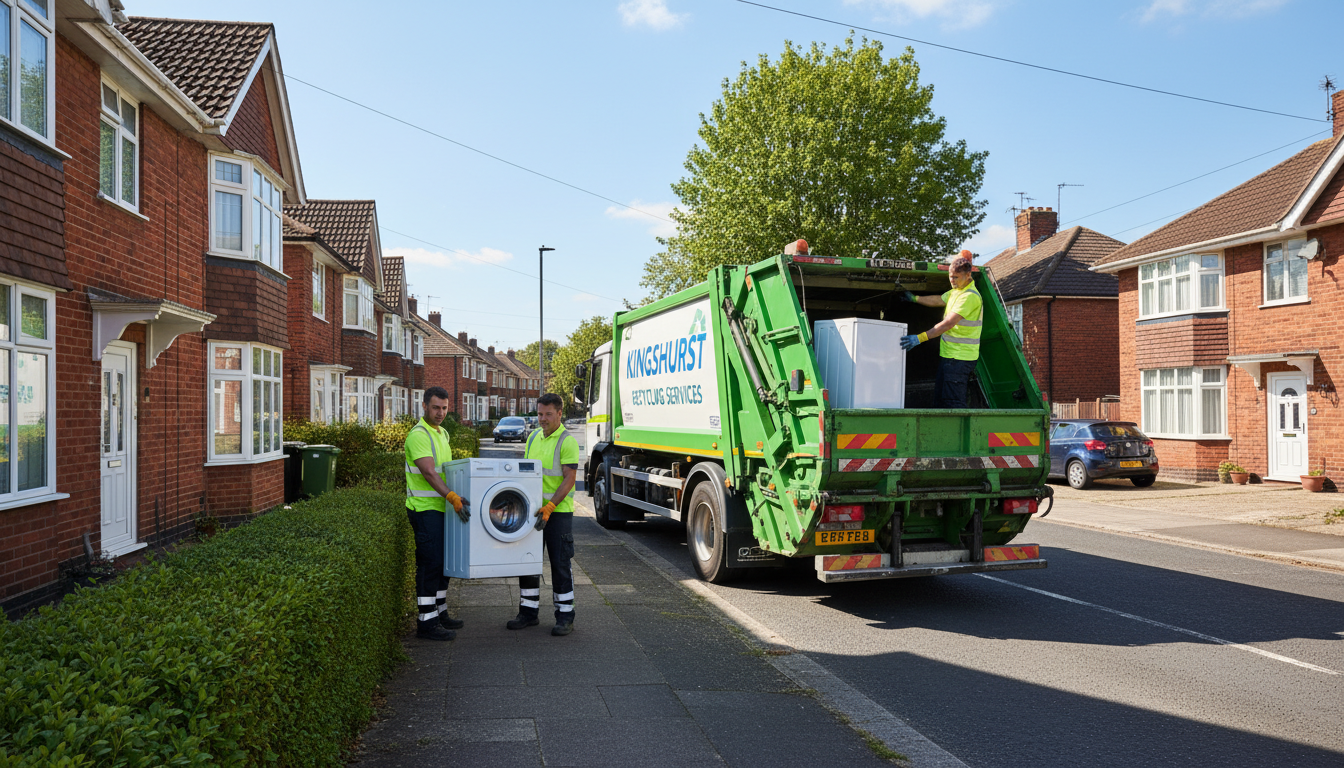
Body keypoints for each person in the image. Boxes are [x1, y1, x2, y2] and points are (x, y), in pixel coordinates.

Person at [507, 393, 580, 636]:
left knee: (560, 564)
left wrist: (550, 507)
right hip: (532, 512)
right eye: (539, 414)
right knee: (527, 561)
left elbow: (569, 479)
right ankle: (528, 613)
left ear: (560, 413)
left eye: (548, 414)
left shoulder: (566, 441)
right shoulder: (534, 437)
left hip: (557, 514)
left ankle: (565, 616)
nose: (543, 419)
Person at [405, 386, 470, 641]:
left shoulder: (442, 433)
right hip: (424, 511)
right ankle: (426, 622)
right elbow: (430, 473)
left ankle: (440, 612)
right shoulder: (419, 435)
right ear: (424, 406)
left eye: (444, 408)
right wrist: (452, 496)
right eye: (435, 407)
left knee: (443, 565)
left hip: (441, 509)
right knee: (429, 564)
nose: (440, 412)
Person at [899, 253, 982, 409]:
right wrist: (914, 298)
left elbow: (947, 324)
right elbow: (938, 299)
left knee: (953, 404)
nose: (952, 280)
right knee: (941, 401)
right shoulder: (956, 292)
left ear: (968, 275)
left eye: (956, 277)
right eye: (950, 276)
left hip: (960, 358)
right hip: (950, 357)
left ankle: (955, 433)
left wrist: (920, 338)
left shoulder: (969, 297)